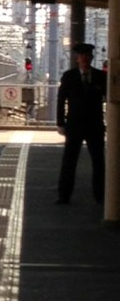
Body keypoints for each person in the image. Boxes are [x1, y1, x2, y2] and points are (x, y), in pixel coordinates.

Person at [55, 42, 106, 204]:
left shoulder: (101, 76)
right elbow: (61, 100)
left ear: (91, 58)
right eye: (81, 56)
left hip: (95, 125)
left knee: (98, 161)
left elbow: (110, 99)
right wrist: (60, 123)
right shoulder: (69, 76)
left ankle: (100, 195)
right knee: (69, 161)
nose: (84, 58)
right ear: (77, 59)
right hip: (74, 125)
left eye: (87, 56)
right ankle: (64, 195)